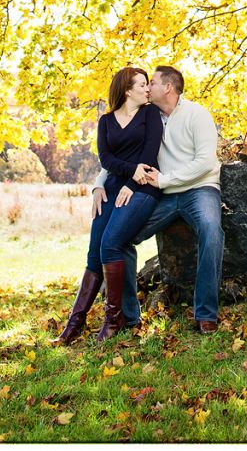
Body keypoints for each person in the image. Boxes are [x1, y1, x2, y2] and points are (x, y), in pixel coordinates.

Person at [92, 66, 224, 333]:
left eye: (152, 82)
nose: (147, 87)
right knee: (121, 238)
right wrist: (98, 183)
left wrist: (164, 180)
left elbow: (206, 162)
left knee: (212, 231)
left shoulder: (196, 114)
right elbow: (120, 156)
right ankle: (130, 316)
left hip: (200, 189)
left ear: (168, 88)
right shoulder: (149, 116)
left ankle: (206, 313)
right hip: (163, 196)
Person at [54, 67, 163, 344]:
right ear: (127, 90)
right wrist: (108, 182)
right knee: (94, 254)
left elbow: (150, 154)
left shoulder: (150, 114)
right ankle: (73, 325)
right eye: (141, 84)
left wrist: (132, 182)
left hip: (143, 188)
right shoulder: (105, 121)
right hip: (112, 188)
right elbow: (106, 159)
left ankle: (113, 321)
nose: (147, 88)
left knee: (111, 244)